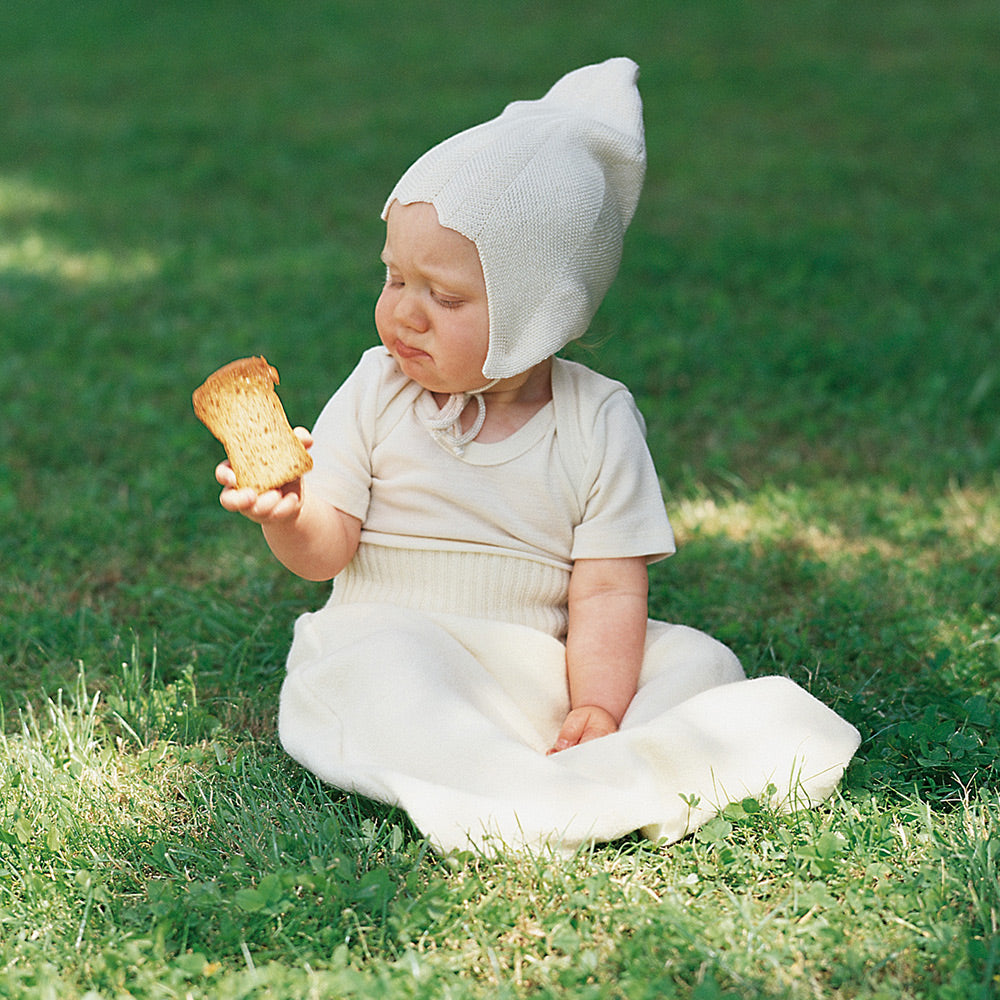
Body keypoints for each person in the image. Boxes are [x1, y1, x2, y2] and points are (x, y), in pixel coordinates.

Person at [214, 58, 860, 854]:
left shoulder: (597, 418)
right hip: (400, 637)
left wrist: (594, 700)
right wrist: (288, 512)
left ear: (540, 314)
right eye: (393, 277)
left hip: (539, 662)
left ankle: (575, 759)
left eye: (444, 297)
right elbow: (326, 553)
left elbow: (609, 590)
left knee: (696, 659)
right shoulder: (378, 387)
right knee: (386, 673)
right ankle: (536, 793)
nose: (403, 313)